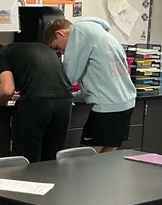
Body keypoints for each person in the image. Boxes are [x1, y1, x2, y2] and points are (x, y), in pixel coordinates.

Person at [43, 17, 135, 152]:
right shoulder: (99, 32)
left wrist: (44, 91)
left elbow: (68, 76)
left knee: (85, 160)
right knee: (107, 160)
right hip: (125, 104)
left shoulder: (79, 31)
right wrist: (72, 96)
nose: (62, 52)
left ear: (60, 34)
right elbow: (95, 87)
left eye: (58, 47)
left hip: (107, 107)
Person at [0, 41, 73, 164]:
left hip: (36, 104)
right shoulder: (43, 48)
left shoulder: (1, 55)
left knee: (27, 159)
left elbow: (7, 90)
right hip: (64, 101)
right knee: (52, 160)